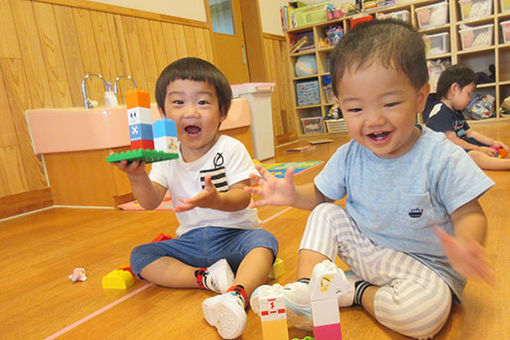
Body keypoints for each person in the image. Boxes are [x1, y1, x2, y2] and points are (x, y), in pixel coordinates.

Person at [246, 20, 494, 339]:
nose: (374, 119)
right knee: (326, 214)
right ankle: (309, 291)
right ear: (340, 106)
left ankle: (351, 291)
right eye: (356, 108)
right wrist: (293, 195)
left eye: (390, 103)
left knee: (425, 316)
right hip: (367, 250)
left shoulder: (442, 157)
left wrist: (468, 242)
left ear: (420, 98)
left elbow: (470, 212)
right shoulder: (350, 154)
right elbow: (321, 197)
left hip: (424, 272)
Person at [115, 57, 278, 339]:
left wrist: (216, 200)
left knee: (264, 242)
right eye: (178, 103)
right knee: (141, 256)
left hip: (235, 235)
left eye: (203, 102)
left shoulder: (231, 147)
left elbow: (242, 197)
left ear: (222, 111)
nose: (191, 111)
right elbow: (151, 201)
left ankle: (236, 295)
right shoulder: (167, 154)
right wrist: (137, 176)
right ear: (162, 112)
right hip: (190, 242)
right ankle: (206, 278)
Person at [426, 64, 510, 170]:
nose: (470, 99)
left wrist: (492, 142)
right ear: (454, 88)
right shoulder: (440, 110)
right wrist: (479, 149)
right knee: (474, 155)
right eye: (468, 94)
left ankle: (491, 157)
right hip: (442, 153)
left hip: (455, 145)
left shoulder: (456, 110)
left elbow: (469, 133)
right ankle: (506, 164)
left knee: (479, 145)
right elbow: (452, 140)